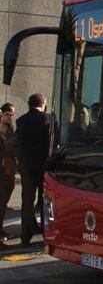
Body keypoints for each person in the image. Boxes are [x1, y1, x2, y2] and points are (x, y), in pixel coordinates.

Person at [15, 94, 50, 247]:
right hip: (43, 166)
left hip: (26, 166)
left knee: (27, 201)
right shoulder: (48, 119)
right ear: (42, 103)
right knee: (44, 201)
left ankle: (25, 237)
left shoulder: (20, 121)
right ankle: (45, 233)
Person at [0, 103, 16, 243]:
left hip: (9, 171)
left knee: (3, 202)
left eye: (12, 114)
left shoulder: (12, 132)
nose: (10, 116)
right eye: (7, 114)